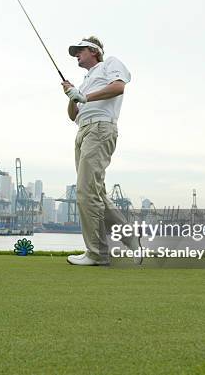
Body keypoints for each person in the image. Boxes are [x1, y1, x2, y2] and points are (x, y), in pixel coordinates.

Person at [62, 36, 140, 266]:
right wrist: (71, 95)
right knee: (96, 193)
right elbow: (73, 115)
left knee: (86, 192)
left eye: (80, 50)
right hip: (83, 131)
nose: (77, 54)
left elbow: (118, 87)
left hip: (100, 128)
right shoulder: (86, 81)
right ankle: (130, 237)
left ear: (94, 50)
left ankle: (97, 253)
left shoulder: (109, 64)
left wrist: (83, 96)